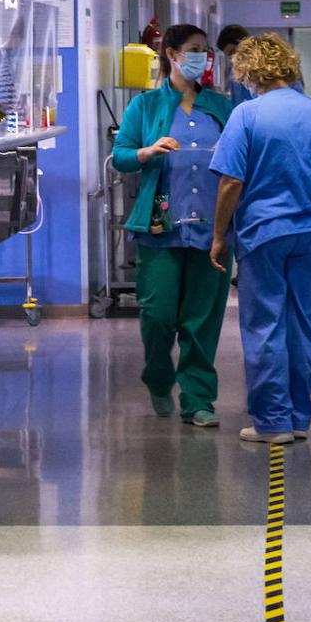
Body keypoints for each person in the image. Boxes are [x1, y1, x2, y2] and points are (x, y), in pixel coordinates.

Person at [208, 33, 311, 444]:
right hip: (310, 231)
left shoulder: (247, 116)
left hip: (262, 234)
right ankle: (298, 417)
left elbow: (230, 182)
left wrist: (219, 234)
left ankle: (272, 423)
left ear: (247, 71)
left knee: (265, 325)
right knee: (303, 324)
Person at [112, 24, 235, 427]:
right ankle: (159, 378)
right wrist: (148, 150)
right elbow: (121, 157)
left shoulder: (221, 107)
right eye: (194, 50)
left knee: (202, 321)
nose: (202, 57)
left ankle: (199, 400)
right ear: (172, 54)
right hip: (161, 227)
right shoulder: (144, 107)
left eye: (206, 50)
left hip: (212, 231)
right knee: (159, 316)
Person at [217, 24, 305, 106]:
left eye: (233, 51)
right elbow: (237, 104)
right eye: (229, 55)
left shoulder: (278, 65)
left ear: (244, 44)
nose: (234, 58)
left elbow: (297, 95)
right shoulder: (235, 76)